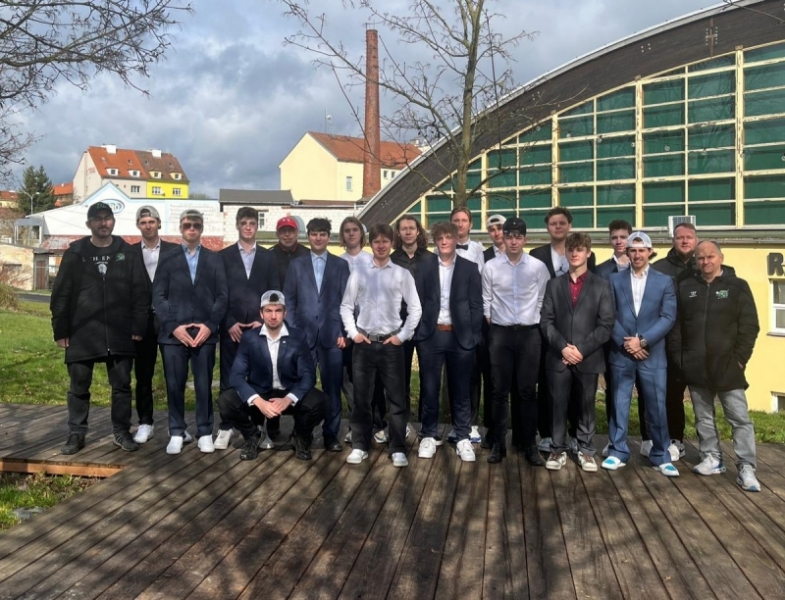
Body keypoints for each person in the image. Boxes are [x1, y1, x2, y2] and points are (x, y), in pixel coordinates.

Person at [51, 201, 148, 454]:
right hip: (82, 331)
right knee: (78, 388)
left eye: (107, 218)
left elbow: (140, 293)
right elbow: (61, 294)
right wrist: (61, 330)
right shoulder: (76, 253)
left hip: (120, 332)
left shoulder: (127, 252)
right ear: (89, 223)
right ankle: (76, 434)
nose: (103, 223)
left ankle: (121, 432)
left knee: (122, 387)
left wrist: (138, 325)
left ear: (113, 222)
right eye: (98, 218)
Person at [669, 241, 761, 492]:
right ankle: (711, 457)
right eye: (700, 258)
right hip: (696, 365)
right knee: (703, 416)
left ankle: (746, 467)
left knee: (739, 418)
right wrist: (681, 359)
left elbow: (750, 326)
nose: (705, 262)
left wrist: (740, 359)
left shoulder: (737, 286)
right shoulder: (686, 287)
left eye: (710, 257)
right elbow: (676, 326)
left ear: (721, 257)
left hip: (728, 366)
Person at [340, 223, 422, 467]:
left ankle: (397, 447)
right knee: (361, 398)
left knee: (396, 399)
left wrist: (403, 336)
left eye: (385, 241)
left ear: (392, 243)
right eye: (377, 241)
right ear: (371, 243)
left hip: (391, 344)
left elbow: (415, 308)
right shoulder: (359, 273)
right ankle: (360, 445)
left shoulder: (401, 274)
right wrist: (353, 333)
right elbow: (346, 306)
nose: (381, 245)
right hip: (364, 344)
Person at [216, 291, 327, 461]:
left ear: (285, 313)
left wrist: (288, 399)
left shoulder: (297, 337)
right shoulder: (250, 338)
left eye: (278, 310)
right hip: (260, 393)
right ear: (261, 314)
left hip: (287, 393)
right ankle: (253, 435)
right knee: (225, 401)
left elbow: (308, 376)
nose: (273, 316)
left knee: (321, 401)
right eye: (268, 311)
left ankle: (300, 436)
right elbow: (236, 376)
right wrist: (258, 402)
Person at [603, 231, 678, 477]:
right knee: (619, 403)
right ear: (627, 252)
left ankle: (661, 454)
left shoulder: (664, 281)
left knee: (656, 406)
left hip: (652, 354)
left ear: (650, 252)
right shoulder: (614, 280)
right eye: (633, 250)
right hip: (622, 353)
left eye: (641, 250)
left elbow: (668, 317)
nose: (637, 255)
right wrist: (627, 343)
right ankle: (617, 451)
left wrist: (643, 341)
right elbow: (608, 314)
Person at [153, 209, 228, 455]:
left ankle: (205, 432)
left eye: (196, 224)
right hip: (174, 334)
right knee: (174, 384)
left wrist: (210, 325)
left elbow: (222, 297)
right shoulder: (168, 258)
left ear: (202, 228)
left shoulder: (214, 259)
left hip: (204, 333)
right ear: (181, 228)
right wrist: (173, 327)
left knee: (204, 385)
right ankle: (177, 431)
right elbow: (159, 296)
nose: (192, 228)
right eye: (187, 225)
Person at [540, 233, 614, 473]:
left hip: (587, 357)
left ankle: (586, 449)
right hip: (558, 356)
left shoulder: (601, 285)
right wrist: (563, 346)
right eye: (570, 249)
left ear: (588, 253)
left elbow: (606, 325)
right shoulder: (554, 285)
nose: (574, 253)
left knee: (586, 405)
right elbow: (546, 321)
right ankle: (557, 448)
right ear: (565, 253)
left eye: (579, 249)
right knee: (556, 404)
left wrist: (581, 350)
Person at [482, 217, 550, 465]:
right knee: (499, 391)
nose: (513, 241)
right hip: (500, 334)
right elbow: (486, 299)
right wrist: (494, 321)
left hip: (529, 335)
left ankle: (529, 444)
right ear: (503, 237)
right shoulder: (491, 267)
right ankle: (498, 445)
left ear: (525, 239)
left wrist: (531, 320)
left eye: (518, 237)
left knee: (527, 392)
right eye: (509, 236)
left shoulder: (537, 267)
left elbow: (542, 299)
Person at [530, 207, 596, 454]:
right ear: (548, 227)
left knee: (579, 391)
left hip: (579, 335)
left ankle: (576, 435)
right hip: (548, 331)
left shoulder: (583, 256)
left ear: (569, 225)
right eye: (553, 223)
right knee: (549, 387)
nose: (557, 227)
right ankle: (548, 434)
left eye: (562, 223)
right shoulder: (536, 255)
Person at [416, 221, 483, 462]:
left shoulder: (469, 268)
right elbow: (417, 302)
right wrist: (420, 333)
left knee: (461, 390)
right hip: (431, 336)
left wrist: (473, 336)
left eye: (448, 237)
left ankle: (463, 436)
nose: (444, 241)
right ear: (435, 241)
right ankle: (428, 434)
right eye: (440, 237)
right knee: (429, 388)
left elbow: (476, 305)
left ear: (456, 239)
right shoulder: (424, 268)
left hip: (460, 337)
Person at [284, 218, 350, 452]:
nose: (318, 238)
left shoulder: (340, 265)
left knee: (333, 389)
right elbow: (288, 301)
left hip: (333, 337)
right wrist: (293, 332)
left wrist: (344, 332)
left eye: (323, 233)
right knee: (303, 387)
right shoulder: (297, 265)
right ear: (308, 236)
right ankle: (302, 433)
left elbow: (348, 301)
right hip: (303, 337)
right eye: (314, 234)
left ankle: (331, 435)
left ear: (329, 237)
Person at [217, 207, 279, 450]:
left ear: (257, 226)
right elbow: (218, 293)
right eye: (244, 222)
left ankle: (257, 428)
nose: (248, 227)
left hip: (258, 328)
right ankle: (226, 427)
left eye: (252, 223)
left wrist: (262, 321)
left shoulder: (268, 257)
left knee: (259, 379)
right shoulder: (223, 257)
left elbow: (273, 294)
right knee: (228, 378)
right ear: (237, 225)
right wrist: (228, 322)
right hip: (231, 328)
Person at [127, 205, 178, 444]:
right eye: (143, 222)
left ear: (159, 223)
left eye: (151, 221)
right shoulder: (129, 253)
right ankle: (145, 423)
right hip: (141, 325)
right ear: (139, 225)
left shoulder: (174, 251)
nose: (148, 226)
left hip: (169, 322)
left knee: (174, 375)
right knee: (143, 376)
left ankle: (176, 424)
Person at [652, 221, 699, 460]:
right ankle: (675, 439)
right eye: (680, 237)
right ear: (673, 240)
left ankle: (709, 447)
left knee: (703, 399)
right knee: (672, 395)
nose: (684, 241)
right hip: (669, 343)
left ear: (696, 240)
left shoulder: (705, 265)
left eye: (689, 237)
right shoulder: (659, 268)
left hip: (700, 344)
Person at [338, 217, 387, 444]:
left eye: (355, 230)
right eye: (347, 230)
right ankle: (355, 424)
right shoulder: (337, 263)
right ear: (342, 235)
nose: (351, 234)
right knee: (349, 380)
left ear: (361, 234)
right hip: (347, 327)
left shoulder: (372, 260)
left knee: (373, 379)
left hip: (371, 328)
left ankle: (378, 423)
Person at [390, 215, 436, 427]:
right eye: (404, 229)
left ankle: (426, 425)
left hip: (426, 323)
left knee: (428, 376)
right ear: (398, 233)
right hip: (399, 323)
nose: (408, 232)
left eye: (411, 228)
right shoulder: (391, 259)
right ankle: (403, 423)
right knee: (400, 376)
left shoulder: (430, 259)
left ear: (418, 231)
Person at [450, 206, 484, 443]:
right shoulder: (440, 249)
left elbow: (481, 288)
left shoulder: (479, 251)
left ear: (470, 224)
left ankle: (471, 424)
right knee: (452, 377)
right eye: (456, 220)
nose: (460, 224)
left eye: (464, 220)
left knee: (472, 375)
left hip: (470, 322)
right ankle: (455, 424)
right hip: (447, 324)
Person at [270, 216, 309, 289]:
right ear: (277, 234)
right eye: (283, 231)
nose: (287, 234)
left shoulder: (307, 254)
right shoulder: (269, 255)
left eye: (290, 230)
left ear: (297, 233)